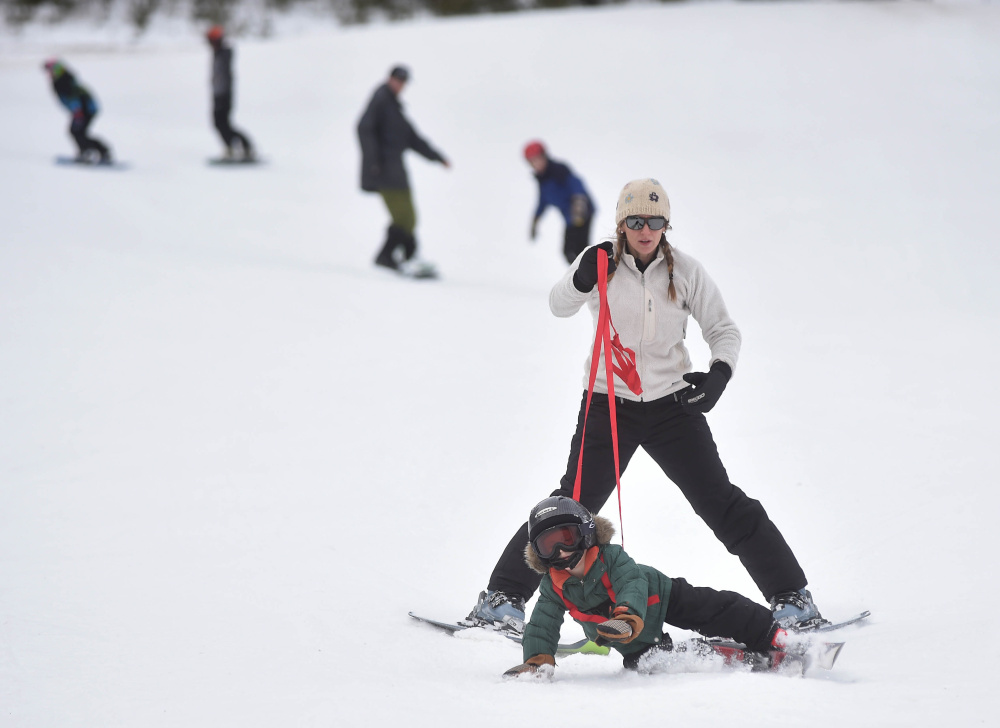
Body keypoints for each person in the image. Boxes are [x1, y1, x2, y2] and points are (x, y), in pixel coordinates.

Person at [471, 178, 825, 633]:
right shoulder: (600, 263)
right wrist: (581, 277)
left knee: (721, 502)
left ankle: (791, 598)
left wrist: (718, 376)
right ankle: (502, 599)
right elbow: (559, 305)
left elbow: (724, 331)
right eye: (635, 220)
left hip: (672, 408)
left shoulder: (686, 272)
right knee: (571, 506)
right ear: (621, 224)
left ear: (665, 226)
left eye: (655, 221)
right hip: (607, 407)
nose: (645, 229)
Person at [503, 496, 795, 678]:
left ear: (585, 533)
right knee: (650, 664)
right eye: (547, 546)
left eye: (566, 537)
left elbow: (631, 583)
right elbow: (542, 623)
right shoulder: (553, 586)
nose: (561, 552)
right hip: (628, 637)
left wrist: (627, 617)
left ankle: (773, 634)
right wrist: (537, 661)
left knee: (713, 608)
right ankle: (723, 657)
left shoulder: (610, 556)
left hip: (660, 597)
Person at [357, 65, 450, 278]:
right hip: (383, 171)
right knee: (403, 217)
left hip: (396, 170)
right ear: (389, 78)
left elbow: (412, 138)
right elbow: (363, 128)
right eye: (397, 80)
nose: (400, 85)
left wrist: (437, 157)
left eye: (404, 82)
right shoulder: (380, 101)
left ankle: (410, 257)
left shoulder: (394, 107)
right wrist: (373, 162)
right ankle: (389, 257)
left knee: (410, 217)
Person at [523, 141, 594, 264]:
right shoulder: (542, 181)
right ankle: (584, 279)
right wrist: (535, 220)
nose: (537, 163)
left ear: (544, 156)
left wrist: (579, 203)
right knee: (568, 252)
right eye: (533, 161)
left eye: (538, 159)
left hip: (582, 213)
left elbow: (576, 185)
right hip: (569, 218)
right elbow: (542, 202)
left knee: (580, 250)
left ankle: (594, 277)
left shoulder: (559, 170)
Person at [43, 59, 112, 163]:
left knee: (76, 132)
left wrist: (78, 112)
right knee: (78, 132)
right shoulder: (62, 79)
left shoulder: (64, 81)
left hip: (85, 110)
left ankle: (92, 152)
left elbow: (74, 97)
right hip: (82, 110)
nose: (49, 73)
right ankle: (94, 151)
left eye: (51, 70)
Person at [206, 25, 255, 161]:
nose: (210, 44)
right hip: (218, 94)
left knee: (224, 124)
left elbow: (225, 69)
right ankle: (232, 147)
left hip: (224, 95)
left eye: (211, 40)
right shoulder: (217, 53)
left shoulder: (224, 53)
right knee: (219, 123)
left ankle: (245, 146)